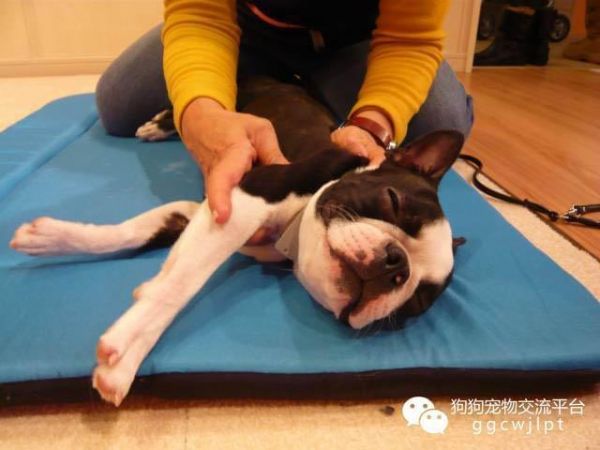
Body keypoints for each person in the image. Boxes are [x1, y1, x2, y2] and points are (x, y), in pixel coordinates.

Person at [96, 0, 474, 226]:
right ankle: (261, 84)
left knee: (440, 121)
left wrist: (373, 123)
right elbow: (200, 16)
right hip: (244, 27)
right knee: (120, 105)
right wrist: (201, 112)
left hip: (358, 42)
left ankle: (281, 87)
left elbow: (409, 40)